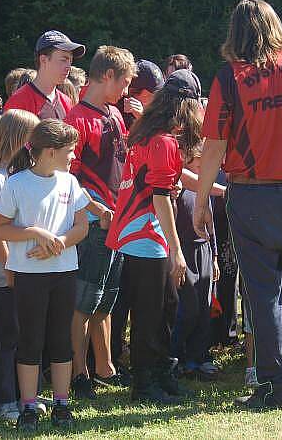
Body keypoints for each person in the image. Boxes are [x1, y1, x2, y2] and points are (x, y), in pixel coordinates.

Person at [194, 0, 282, 409]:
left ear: (235, 32)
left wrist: (201, 200)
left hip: (252, 194)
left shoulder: (230, 78)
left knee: (264, 294)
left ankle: (274, 385)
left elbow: (214, 145)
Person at [106, 69, 202, 404]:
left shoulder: (149, 134)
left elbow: (169, 181)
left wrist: (213, 190)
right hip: (146, 234)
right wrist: (177, 251)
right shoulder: (161, 141)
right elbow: (161, 196)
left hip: (141, 234)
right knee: (152, 312)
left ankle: (163, 373)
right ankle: (144, 386)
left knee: (166, 306)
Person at [0, 119, 89, 431]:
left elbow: (82, 226)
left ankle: (62, 403)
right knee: (30, 340)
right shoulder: (17, 183)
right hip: (29, 276)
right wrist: (34, 233)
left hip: (64, 272)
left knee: (61, 339)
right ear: (50, 152)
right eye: (69, 151)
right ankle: (29, 406)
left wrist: (58, 243)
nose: (73, 156)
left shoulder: (69, 182)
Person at [64, 45, 136, 399]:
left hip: (117, 220)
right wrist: (98, 211)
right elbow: (69, 177)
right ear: (107, 75)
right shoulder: (77, 118)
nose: (126, 91)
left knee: (106, 299)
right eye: (123, 82)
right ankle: (79, 373)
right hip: (94, 223)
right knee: (83, 301)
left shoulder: (116, 113)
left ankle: (104, 367)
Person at [0, 109, 39, 421]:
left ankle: (23, 394)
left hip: (23, 266)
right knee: (8, 335)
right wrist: (8, 268)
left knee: (23, 332)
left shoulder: (19, 173)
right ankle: (4, 397)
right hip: (5, 270)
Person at [170, 140, 220, 381]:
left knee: (204, 308)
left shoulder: (205, 187)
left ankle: (199, 357)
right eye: (198, 164)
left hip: (204, 251)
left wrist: (216, 256)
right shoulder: (179, 185)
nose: (202, 169)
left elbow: (211, 224)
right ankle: (175, 355)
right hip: (184, 250)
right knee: (187, 308)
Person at [3, 30, 85, 119]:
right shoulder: (19, 101)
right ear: (43, 60)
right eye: (63, 60)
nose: (68, 67)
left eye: (70, 61)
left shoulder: (67, 102)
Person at [119, 59, 164, 129]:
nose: (157, 99)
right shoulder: (117, 109)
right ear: (133, 91)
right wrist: (142, 119)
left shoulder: (158, 109)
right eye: (151, 95)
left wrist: (142, 117)